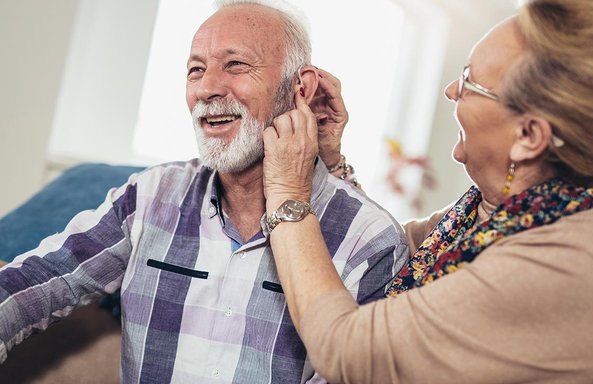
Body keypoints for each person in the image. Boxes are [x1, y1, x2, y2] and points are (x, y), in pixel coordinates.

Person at [0, 1, 409, 383]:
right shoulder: (151, 195)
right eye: (196, 70)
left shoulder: (370, 240)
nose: (208, 88)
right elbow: (34, 281)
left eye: (236, 64)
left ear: (300, 90)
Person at [262, 0, 593, 382]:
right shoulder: (493, 218)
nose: (452, 90)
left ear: (528, 136)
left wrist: (289, 195)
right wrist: (332, 163)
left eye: (471, 82)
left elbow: (349, 350)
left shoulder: (561, 270)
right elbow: (386, 254)